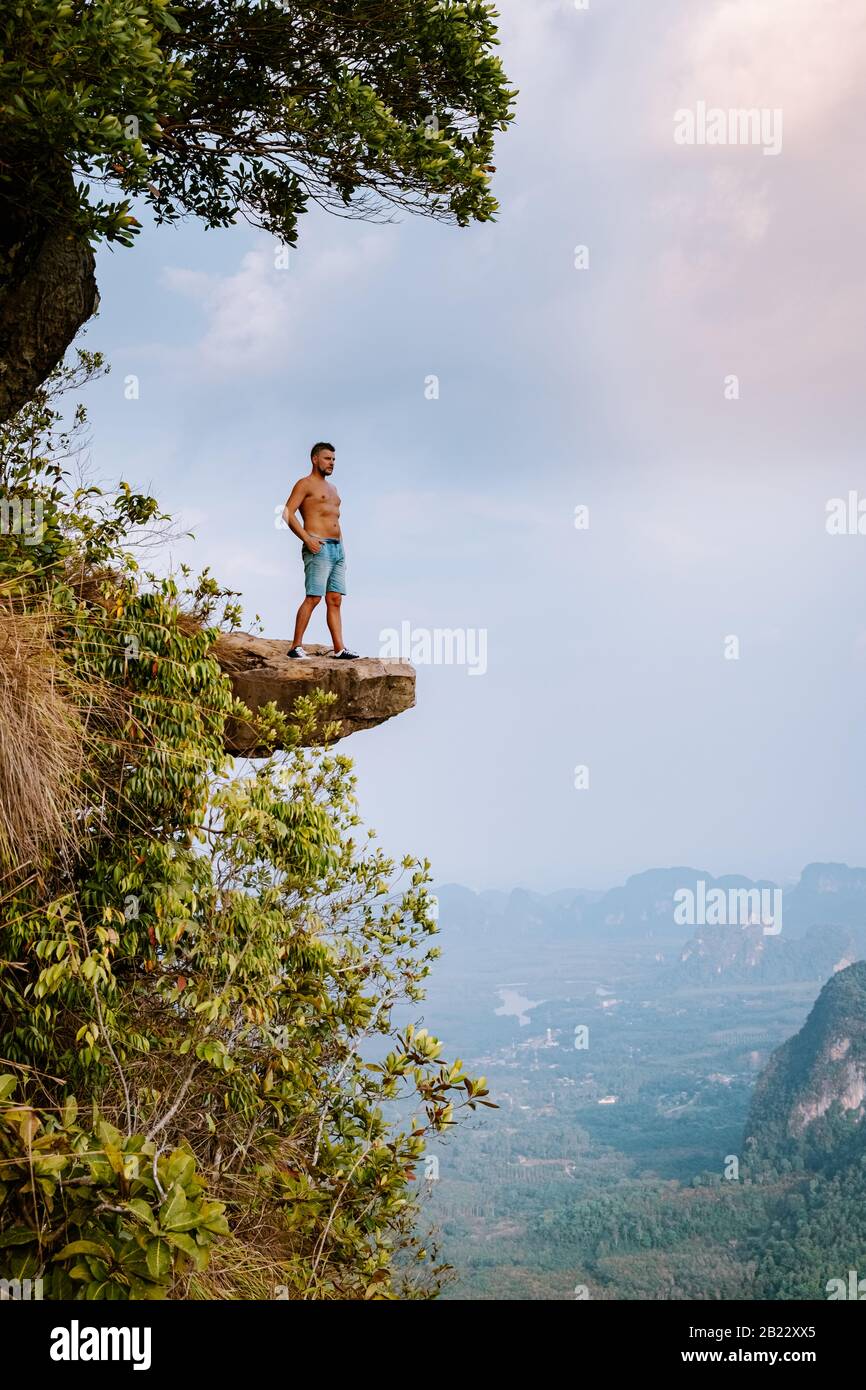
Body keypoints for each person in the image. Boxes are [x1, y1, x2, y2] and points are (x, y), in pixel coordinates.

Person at [282, 441, 359, 659]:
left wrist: (342, 550)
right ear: (315, 459)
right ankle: (295, 646)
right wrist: (307, 539)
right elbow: (288, 513)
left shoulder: (333, 489)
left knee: (335, 599)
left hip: (337, 549)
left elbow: (335, 520)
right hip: (318, 546)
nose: (331, 463)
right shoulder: (305, 484)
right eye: (327, 458)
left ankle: (339, 649)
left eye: (333, 459)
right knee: (313, 597)